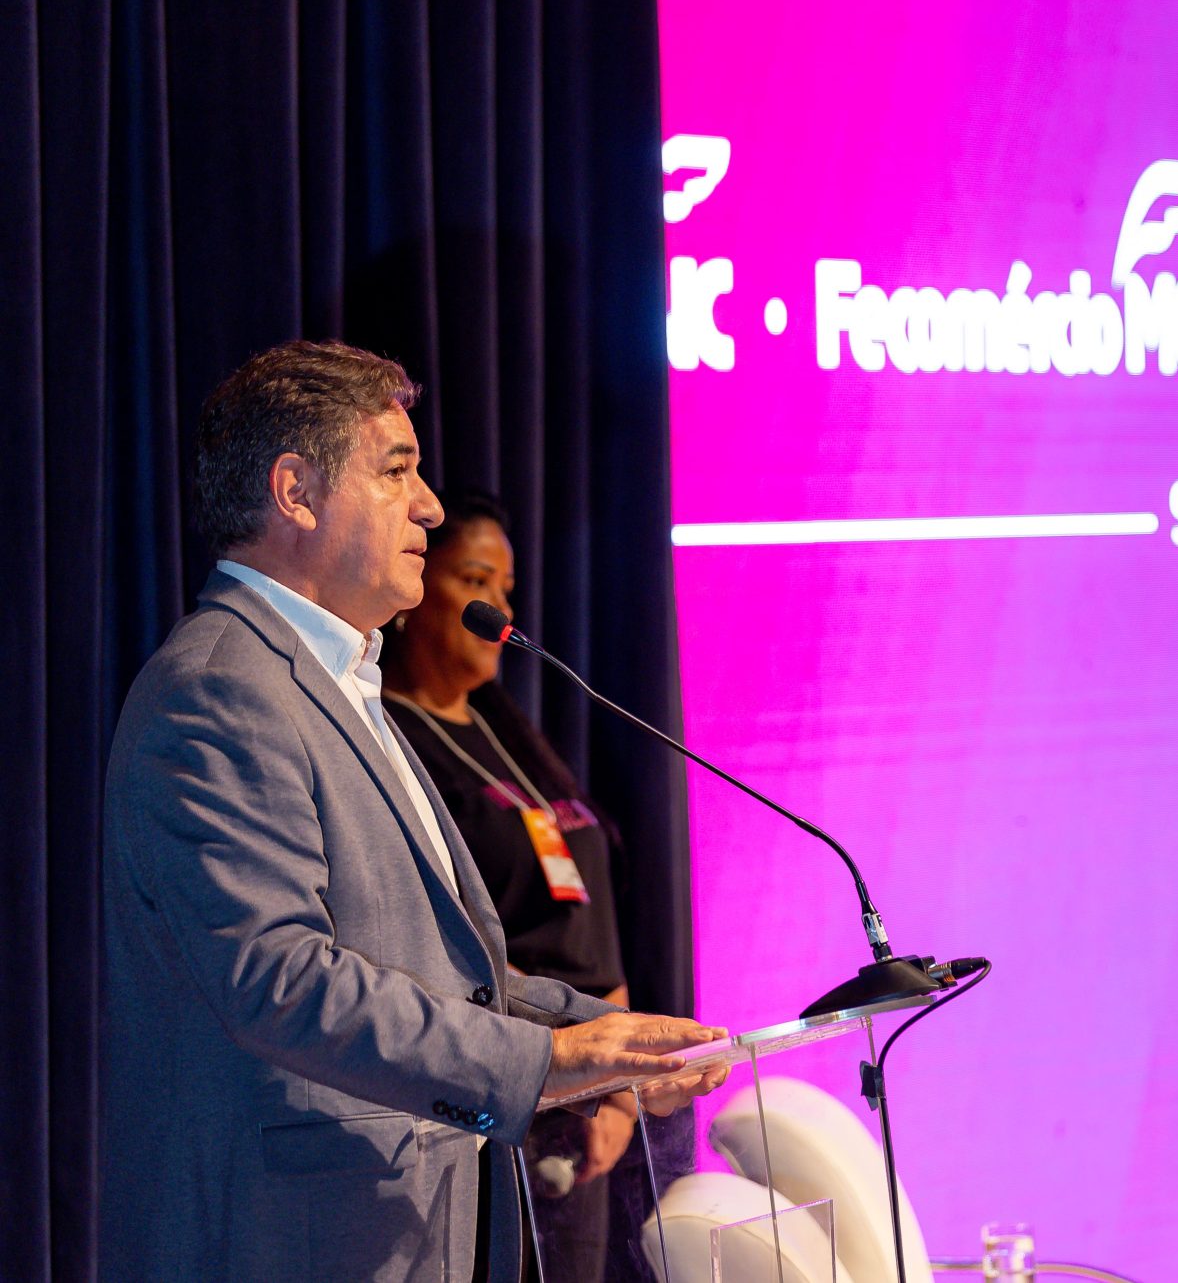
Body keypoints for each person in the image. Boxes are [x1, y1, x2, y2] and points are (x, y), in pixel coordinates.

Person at [100, 341, 727, 1282]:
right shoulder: (218, 691)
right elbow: (280, 978)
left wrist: (606, 1038)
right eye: (397, 471)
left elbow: (432, 969)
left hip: (398, 1234)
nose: (429, 505)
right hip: (293, 1246)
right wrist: (549, 1061)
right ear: (296, 492)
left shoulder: (338, 683)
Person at [381, 490, 641, 1279]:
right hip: (506, 1084)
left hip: (589, 1095)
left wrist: (619, 1083)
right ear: (416, 590)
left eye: (506, 587)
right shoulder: (391, 739)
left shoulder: (511, 734)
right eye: (474, 580)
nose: (498, 605)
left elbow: (591, 920)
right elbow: (436, 934)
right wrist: (571, 1051)